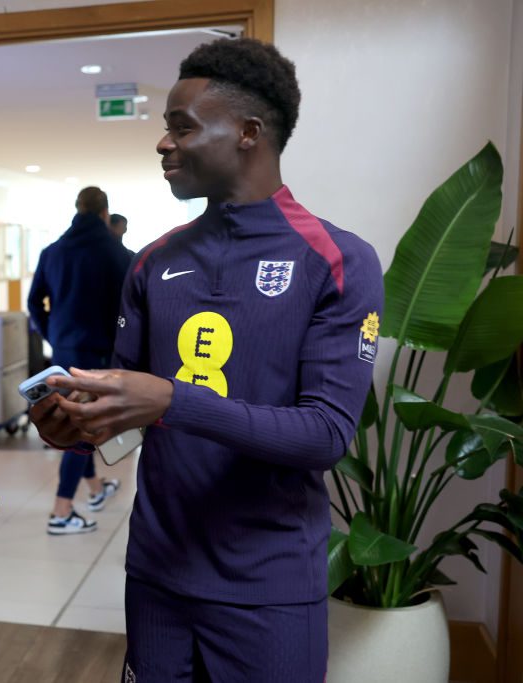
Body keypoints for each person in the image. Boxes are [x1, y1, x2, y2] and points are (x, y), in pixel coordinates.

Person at [31, 37, 383, 681]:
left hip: (268, 586)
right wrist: (75, 426)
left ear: (249, 132)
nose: (163, 143)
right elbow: (120, 418)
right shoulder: (154, 261)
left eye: (180, 127)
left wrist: (172, 399)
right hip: (158, 574)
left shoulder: (336, 259)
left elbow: (326, 434)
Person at [27, 186, 133, 534]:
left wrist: (53, 335)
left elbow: (34, 304)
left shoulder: (53, 252)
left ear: (78, 209)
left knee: (74, 422)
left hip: (63, 352)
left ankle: (96, 489)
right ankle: (61, 511)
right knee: (81, 428)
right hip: (101, 354)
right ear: (105, 213)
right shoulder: (119, 255)